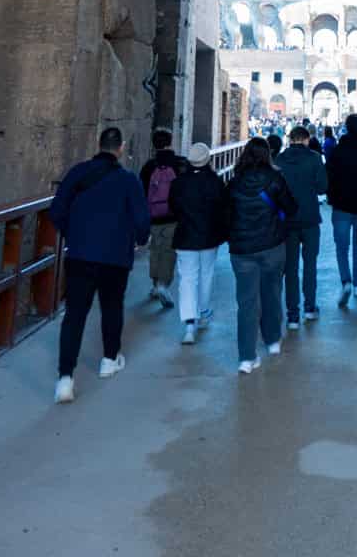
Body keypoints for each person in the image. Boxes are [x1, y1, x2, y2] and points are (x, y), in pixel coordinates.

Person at [50, 126, 151, 402]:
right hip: (115, 257)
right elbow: (142, 220)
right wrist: (140, 239)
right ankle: (109, 359)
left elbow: (57, 210)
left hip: (80, 255)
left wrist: (73, 233)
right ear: (121, 148)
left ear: (99, 145)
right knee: (112, 306)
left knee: (75, 315)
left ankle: (65, 378)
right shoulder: (128, 180)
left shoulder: (77, 173)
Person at [225, 138, 296, 374]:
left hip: (242, 250)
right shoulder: (275, 179)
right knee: (271, 292)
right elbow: (291, 207)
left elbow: (225, 215)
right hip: (272, 245)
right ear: (267, 155)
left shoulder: (234, 183)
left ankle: (246, 357)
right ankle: (273, 340)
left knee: (246, 302)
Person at [169, 142, 228, 345]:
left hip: (185, 236)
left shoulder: (178, 183)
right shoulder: (215, 182)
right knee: (206, 274)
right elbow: (222, 209)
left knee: (187, 278)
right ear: (207, 159)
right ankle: (203, 312)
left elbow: (173, 208)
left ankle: (189, 324)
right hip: (209, 236)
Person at [277, 125, 327, 327]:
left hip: (287, 220)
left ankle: (292, 315)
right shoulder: (315, 158)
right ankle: (310, 308)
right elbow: (323, 187)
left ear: (290, 139)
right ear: (306, 140)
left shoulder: (279, 160)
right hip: (310, 218)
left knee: (290, 268)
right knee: (310, 265)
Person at [326, 113, 357, 307]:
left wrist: (331, 196)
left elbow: (328, 178)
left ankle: (346, 281)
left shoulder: (336, 153)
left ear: (346, 129)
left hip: (340, 206)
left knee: (341, 247)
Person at [140, 129, 184, 308]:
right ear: (170, 142)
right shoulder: (179, 164)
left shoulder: (148, 166)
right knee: (168, 250)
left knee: (155, 249)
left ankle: (155, 283)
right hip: (173, 216)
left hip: (154, 216)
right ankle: (163, 284)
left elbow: (142, 191)